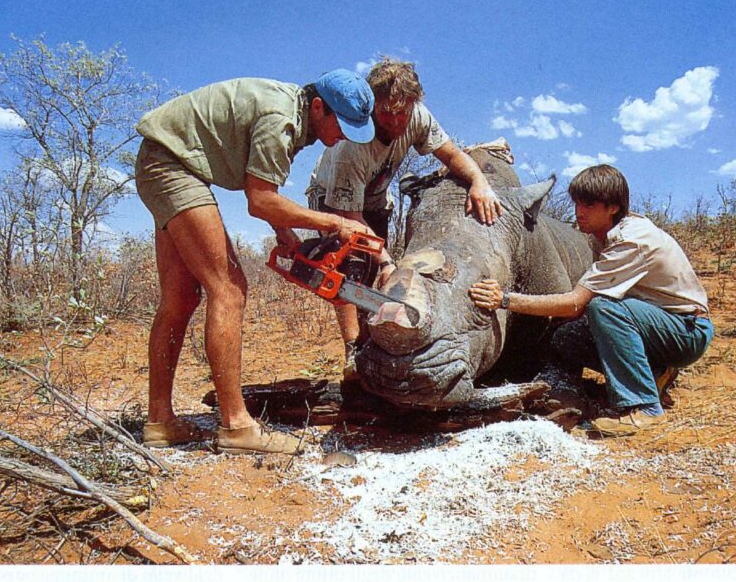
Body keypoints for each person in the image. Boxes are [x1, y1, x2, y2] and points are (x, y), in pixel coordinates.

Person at [134, 69, 376, 454]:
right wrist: (335, 222)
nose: (344, 136)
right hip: (170, 165)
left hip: (162, 159)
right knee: (228, 290)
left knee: (180, 296)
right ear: (319, 107)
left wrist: (285, 232)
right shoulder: (281, 119)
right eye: (342, 125)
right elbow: (260, 200)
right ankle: (236, 427)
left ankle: (160, 422)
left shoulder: (295, 116)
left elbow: (264, 191)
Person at [468, 164, 714, 437]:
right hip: (658, 326)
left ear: (613, 207)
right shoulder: (603, 236)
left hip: (686, 332)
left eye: (589, 205)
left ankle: (645, 408)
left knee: (603, 309)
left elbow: (577, 302)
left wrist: (504, 300)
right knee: (566, 336)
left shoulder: (630, 240)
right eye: (577, 203)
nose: (579, 211)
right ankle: (655, 371)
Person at [304, 57, 504, 378]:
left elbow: (451, 155)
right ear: (372, 104)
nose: (396, 121)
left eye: (403, 112)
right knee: (352, 268)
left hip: (374, 199)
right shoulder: (351, 149)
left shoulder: (418, 116)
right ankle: (353, 350)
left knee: (376, 271)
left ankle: (372, 338)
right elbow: (349, 216)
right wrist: (385, 260)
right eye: (387, 112)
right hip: (335, 201)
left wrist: (479, 181)